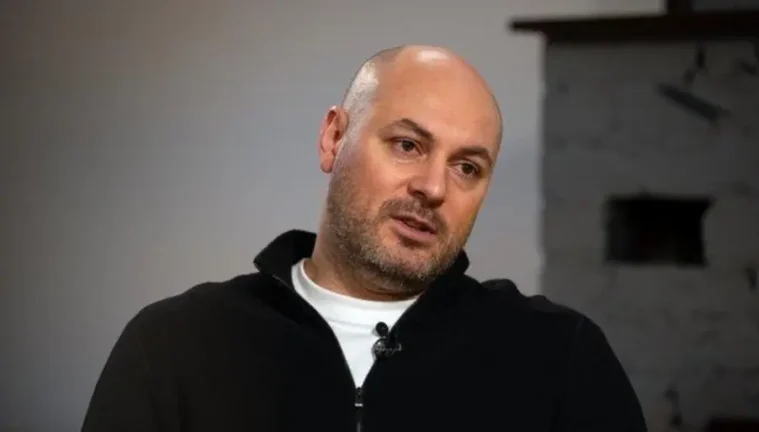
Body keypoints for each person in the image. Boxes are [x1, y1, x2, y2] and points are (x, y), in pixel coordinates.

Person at [82, 45, 647, 431]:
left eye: (467, 168)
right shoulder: (177, 344)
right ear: (334, 138)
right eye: (407, 145)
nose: (433, 187)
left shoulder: (559, 354)